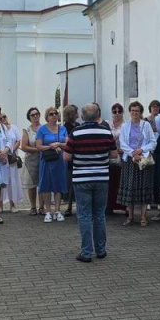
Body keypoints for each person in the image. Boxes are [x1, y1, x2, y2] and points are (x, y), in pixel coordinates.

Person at [64, 103, 118, 261]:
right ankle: (101, 250)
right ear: (98, 115)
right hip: (101, 178)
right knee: (99, 215)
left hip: (81, 179)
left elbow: (67, 156)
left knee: (85, 215)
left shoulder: (75, 133)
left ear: (82, 116)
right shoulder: (106, 131)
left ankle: (86, 252)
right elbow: (114, 154)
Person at [117, 101, 156, 226]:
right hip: (130, 160)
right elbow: (122, 143)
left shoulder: (146, 125)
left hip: (143, 160)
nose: (134, 113)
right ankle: (130, 216)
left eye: (137, 111)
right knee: (130, 188)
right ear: (129, 112)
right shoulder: (125, 126)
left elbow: (153, 142)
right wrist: (133, 153)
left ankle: (143, 217)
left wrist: (142, 150)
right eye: (132, 110)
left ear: (141, 112)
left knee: (144, 188)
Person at [36, 107, 68, 222]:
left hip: (59, 161)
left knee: (58, 185)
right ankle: (48, 211)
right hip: (47, 161)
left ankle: (58, 211)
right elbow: (38, 146)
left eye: (56, 113)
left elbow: (67, 144)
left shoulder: (63, 128)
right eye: (51, 114)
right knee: (46, 185)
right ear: (47, 117)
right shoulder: (42, 129)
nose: (54, 115)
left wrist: (59, 144)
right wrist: (51, 146)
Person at [21, 107, 42, 215]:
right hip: (31, 161)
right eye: (32, 115)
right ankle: (33, 207)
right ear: (29, 117)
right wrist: (38, 149)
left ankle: (42, 207)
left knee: (42, 184)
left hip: (43, 160)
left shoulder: (44, 128)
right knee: (31, 185)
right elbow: (24, 146)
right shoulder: (26, 130)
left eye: (37, 114)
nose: (35, 116)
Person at [0, 113, 23, 212]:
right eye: (0, 118)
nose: (3, 119)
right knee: (1, 181)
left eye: (4, 117)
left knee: (12, 180)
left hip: (12, 157)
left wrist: (11, 150)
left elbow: (18, 140)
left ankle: (12, 205)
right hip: (1, 158)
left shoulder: (13, 128)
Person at [106, 103, 126, 215]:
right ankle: (110, 206)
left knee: (120, 181)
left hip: (122, 156)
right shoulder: (108, 124)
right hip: (109, 156)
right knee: (110, 182)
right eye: (115, 111)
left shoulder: (126, 125)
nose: (117, 114)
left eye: (119, 111)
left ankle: (123, 206)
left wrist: (121, 149)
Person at [62, 104, 80, 215]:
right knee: (70, 182)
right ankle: (68, 205)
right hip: (70, 157)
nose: (78, 114)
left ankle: (77, 205)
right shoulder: (65, 127)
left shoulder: (78, 125)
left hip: (78, 156)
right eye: (76, 112)